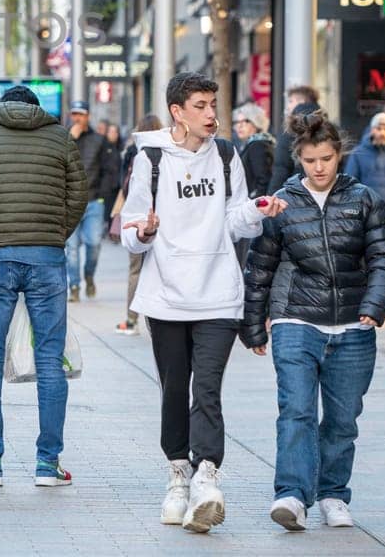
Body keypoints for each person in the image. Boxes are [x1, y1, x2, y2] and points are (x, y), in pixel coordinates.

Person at [120, 71, 281, 533]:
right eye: (201, 106)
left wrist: (257, 211)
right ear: (177, 111)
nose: (212, 115)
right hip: (166, 296)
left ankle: (207, 476)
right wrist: (144, 231)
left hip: (218, 294)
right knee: (175, 388)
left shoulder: (227, 154)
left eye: (214, 104)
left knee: (206, 387)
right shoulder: (150, 159)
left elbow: (234, 219)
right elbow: (131, 228)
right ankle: (178, 475)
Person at [243, 109, 385, 531]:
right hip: (296, 320)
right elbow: (260, 266)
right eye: (310, 159)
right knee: (295, 410)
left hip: (353, 326)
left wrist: (376, 305)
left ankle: (333, 493)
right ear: (299, 157)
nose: (318, 167)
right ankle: (292, 495)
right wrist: (255, 323)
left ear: (339, 155)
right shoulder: (282, 203)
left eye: (326, 159)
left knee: (342, 418)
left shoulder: (364, 199)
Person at [0, 84, 87, 487]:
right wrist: (56, 231)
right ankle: (48, 464)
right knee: (49, 360)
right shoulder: (60, 136)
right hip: (46, 257)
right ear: (36, 108)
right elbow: (78, 192)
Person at [66, 99, 119, 302]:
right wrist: (70, 139)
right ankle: (74, 286)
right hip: (69, 201)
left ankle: (89, 275)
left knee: (94, 243)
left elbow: (109, 168)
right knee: (71, 248)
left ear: (88, 116)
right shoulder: (64, 138)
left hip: (93, 200)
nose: (77, 118)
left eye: (80, 114)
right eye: (74, 114)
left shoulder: (99, 140)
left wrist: (103, 194)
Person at [115, 113, 163, 335]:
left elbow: (124, 185)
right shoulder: (168, 152)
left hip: (138, 218)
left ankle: (131, 319)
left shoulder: (135, 152)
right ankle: (159, 319)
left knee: (135, 269)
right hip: (163, 218)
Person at [269, 85, 321, 189]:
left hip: (297, 192)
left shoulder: (291, 128)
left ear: (301, 101)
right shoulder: (328, 125)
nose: (288, 106)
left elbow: (281, 167)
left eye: (291, 101)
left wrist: (271, 195)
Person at [232, 102, 275, 198]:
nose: (239, 126)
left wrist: (255, 202)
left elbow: (263, 180)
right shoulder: (257, 143)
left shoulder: (257, 145)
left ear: (256, 122)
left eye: (246, 121)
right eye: (237, 122)